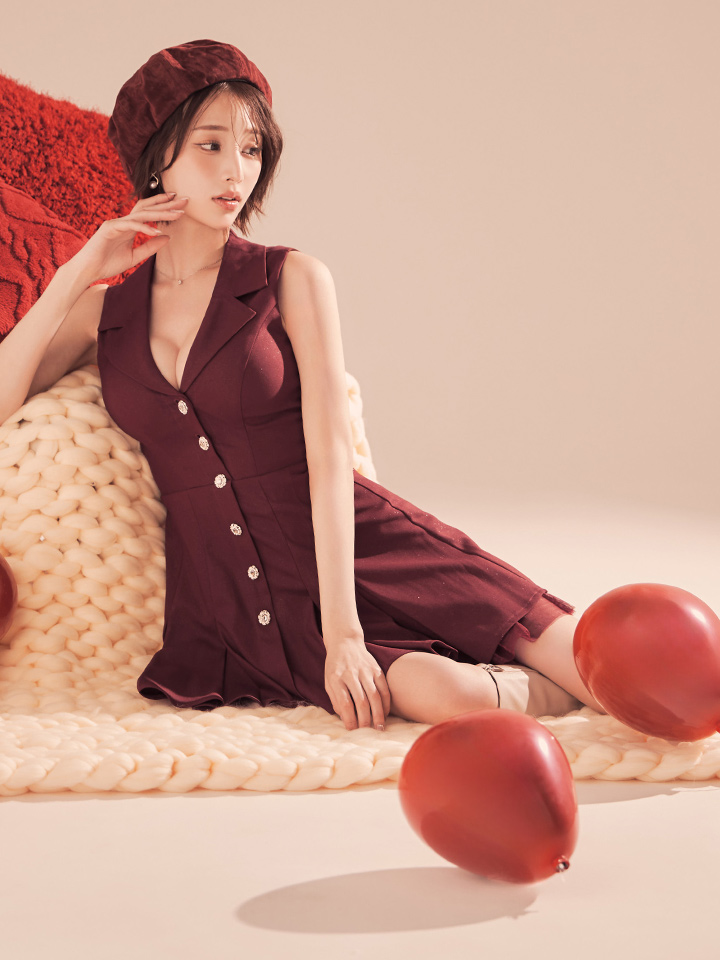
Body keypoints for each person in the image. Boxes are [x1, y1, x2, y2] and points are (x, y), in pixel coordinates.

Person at [0, 39, 606, 731]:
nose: (236, 171)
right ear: (157, 156)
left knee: (608, 670)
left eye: (252, 149)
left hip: (361, 551)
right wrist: (78, 270)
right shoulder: (104, 311)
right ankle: (525, 689)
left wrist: (344, 631)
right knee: (445, 697)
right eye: (210, 145)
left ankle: (554, 688)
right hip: (235, 605)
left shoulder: (289, 278)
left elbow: (330, 456)